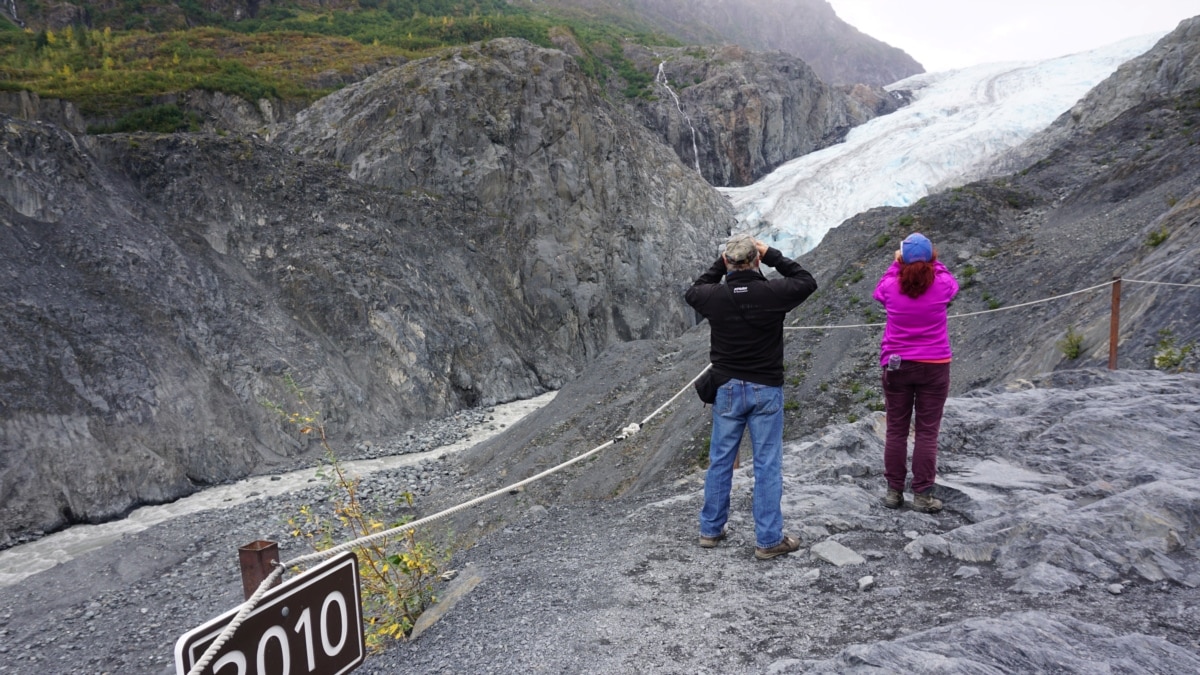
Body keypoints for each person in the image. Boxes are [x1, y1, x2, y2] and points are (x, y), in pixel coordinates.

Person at [685, 233, 817, 559]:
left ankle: (710, 530)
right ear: (755, 260)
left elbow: (694, 290)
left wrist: (723, 261)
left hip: (727, 388)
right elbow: (805, 280)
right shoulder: (772, 292)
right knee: (767, 465)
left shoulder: (714, 296)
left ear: (728, 263)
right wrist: (770, 253)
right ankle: (768, 540)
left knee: (721, 461)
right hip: (766, 388)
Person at [873, 232, 959, 513]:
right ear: (932, 258)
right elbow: (949, 280)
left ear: (901, 258)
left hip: (897, 364)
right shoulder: (943, 283)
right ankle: (922, 494)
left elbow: (879, 290)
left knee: (896, 430)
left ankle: (893, 493)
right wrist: (934, 262)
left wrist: (897, 263)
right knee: (927, 432)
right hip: (935, 365)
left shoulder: (890, 286)